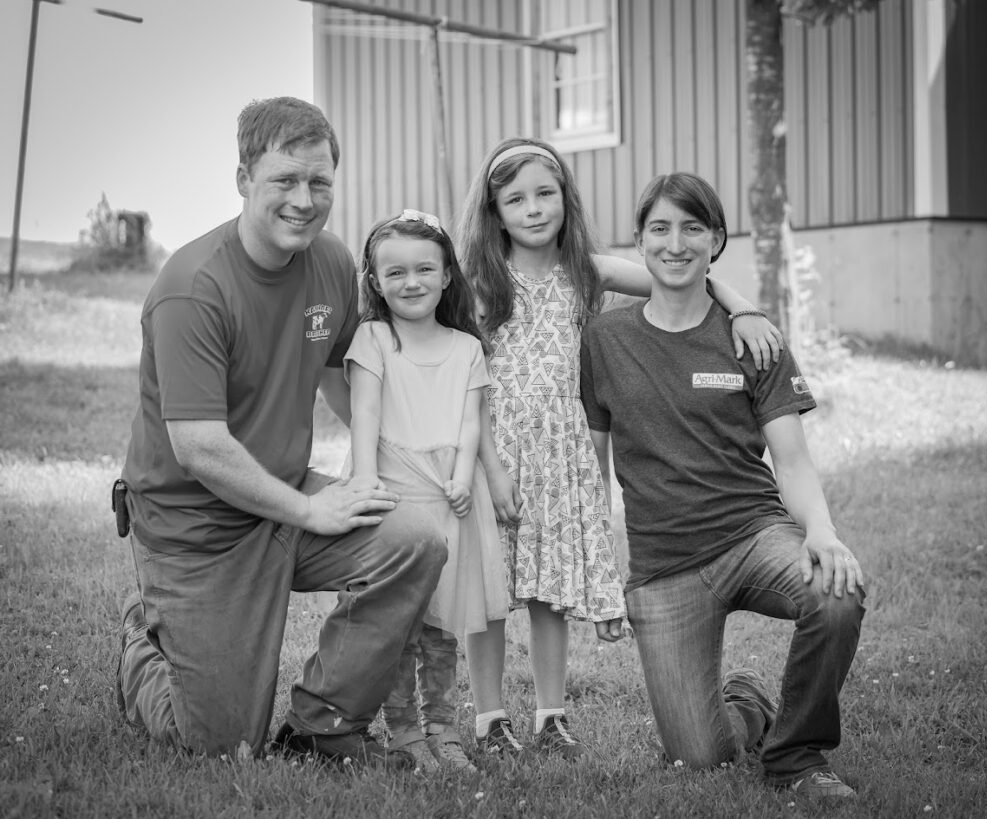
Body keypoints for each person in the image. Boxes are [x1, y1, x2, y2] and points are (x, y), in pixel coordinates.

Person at [113, 97, 447, 768]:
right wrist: (310, 510)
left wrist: (405, 456)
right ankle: (140, 644)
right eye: (285, 180)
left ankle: (322, 725)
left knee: (414, 538)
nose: (304, 200)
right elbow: (199, 448)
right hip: (197, 528)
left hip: (286, 496)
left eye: (319, 181)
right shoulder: (192, 288)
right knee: (220, 744)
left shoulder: (330, 262)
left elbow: (339, 376)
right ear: (244, 179)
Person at [456, 138, 785, 758]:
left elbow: (678, 275)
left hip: (562, 452)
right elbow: (463, 382)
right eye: (515, 199)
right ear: (494, 212)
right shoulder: (478, 284)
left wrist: (744, 308)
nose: (533, 209)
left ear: (566, 198)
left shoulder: (588, 270)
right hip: (496, 452)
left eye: (545, 194)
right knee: (490, 590)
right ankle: (490, 717)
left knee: (549, 588)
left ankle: (550, 716)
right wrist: (489, 469)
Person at [579, 171, 867, 798]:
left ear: (716, 240)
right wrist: (598, 572)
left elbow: (792, 460)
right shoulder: (603, 340)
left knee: (836, 593)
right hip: (664, 566)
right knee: (700, 757)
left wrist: (821, 531)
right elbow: (592, 471)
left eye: (692, 228)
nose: (675, 243)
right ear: (639, 240)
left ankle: (797, 757)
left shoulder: (753, 340)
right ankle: (749, 702)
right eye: (660, 228)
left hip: (752, 535)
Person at [345, 209, 506, 773]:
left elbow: (470, 423)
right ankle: (404, 731)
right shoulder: (374, 338)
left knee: (442, 626)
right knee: (401, 624)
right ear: (374, 281)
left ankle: (444, 728)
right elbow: (365, 413)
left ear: (446, 276)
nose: (411, 282)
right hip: (394, 486)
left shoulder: (466, 347)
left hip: (450, 494)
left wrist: (463, 477)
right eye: (395, 272)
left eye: (424, 269)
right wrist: (365, 479)